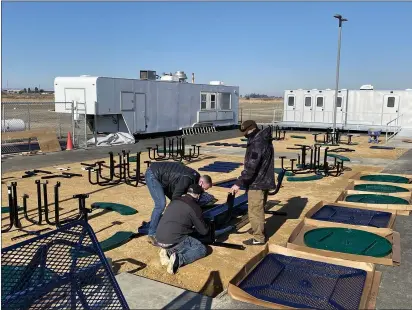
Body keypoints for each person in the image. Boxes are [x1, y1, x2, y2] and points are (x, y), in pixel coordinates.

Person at [144, 161, 212, 245]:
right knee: (161, 204)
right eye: (204, 189)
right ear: (201, 182)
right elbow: (176, 197)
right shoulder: (188, 179)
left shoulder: (195, 178)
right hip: (153, 174)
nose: (203, 191)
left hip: (165, 178)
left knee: (176, 203)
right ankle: (151, 234)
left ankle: (167, 222)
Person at [230, 120, 275, 246]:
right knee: (259, 209)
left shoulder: (257, 143)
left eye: (246, 132)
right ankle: (258, 230)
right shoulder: (263, 138)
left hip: (257, 183)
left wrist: (238, 183)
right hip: (263, 180)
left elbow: (251, 167)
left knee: (255, 211)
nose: (245, 135)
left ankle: (258, 238)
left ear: (252, 129)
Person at [156, 184, 210, 274]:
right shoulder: (194, 207)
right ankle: (179, 260)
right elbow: (204, 231)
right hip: (172, 240)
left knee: (178, 236)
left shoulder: (174, 201)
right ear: (198, 196)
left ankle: (167, 252)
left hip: (159, 238)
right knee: (201, 249)